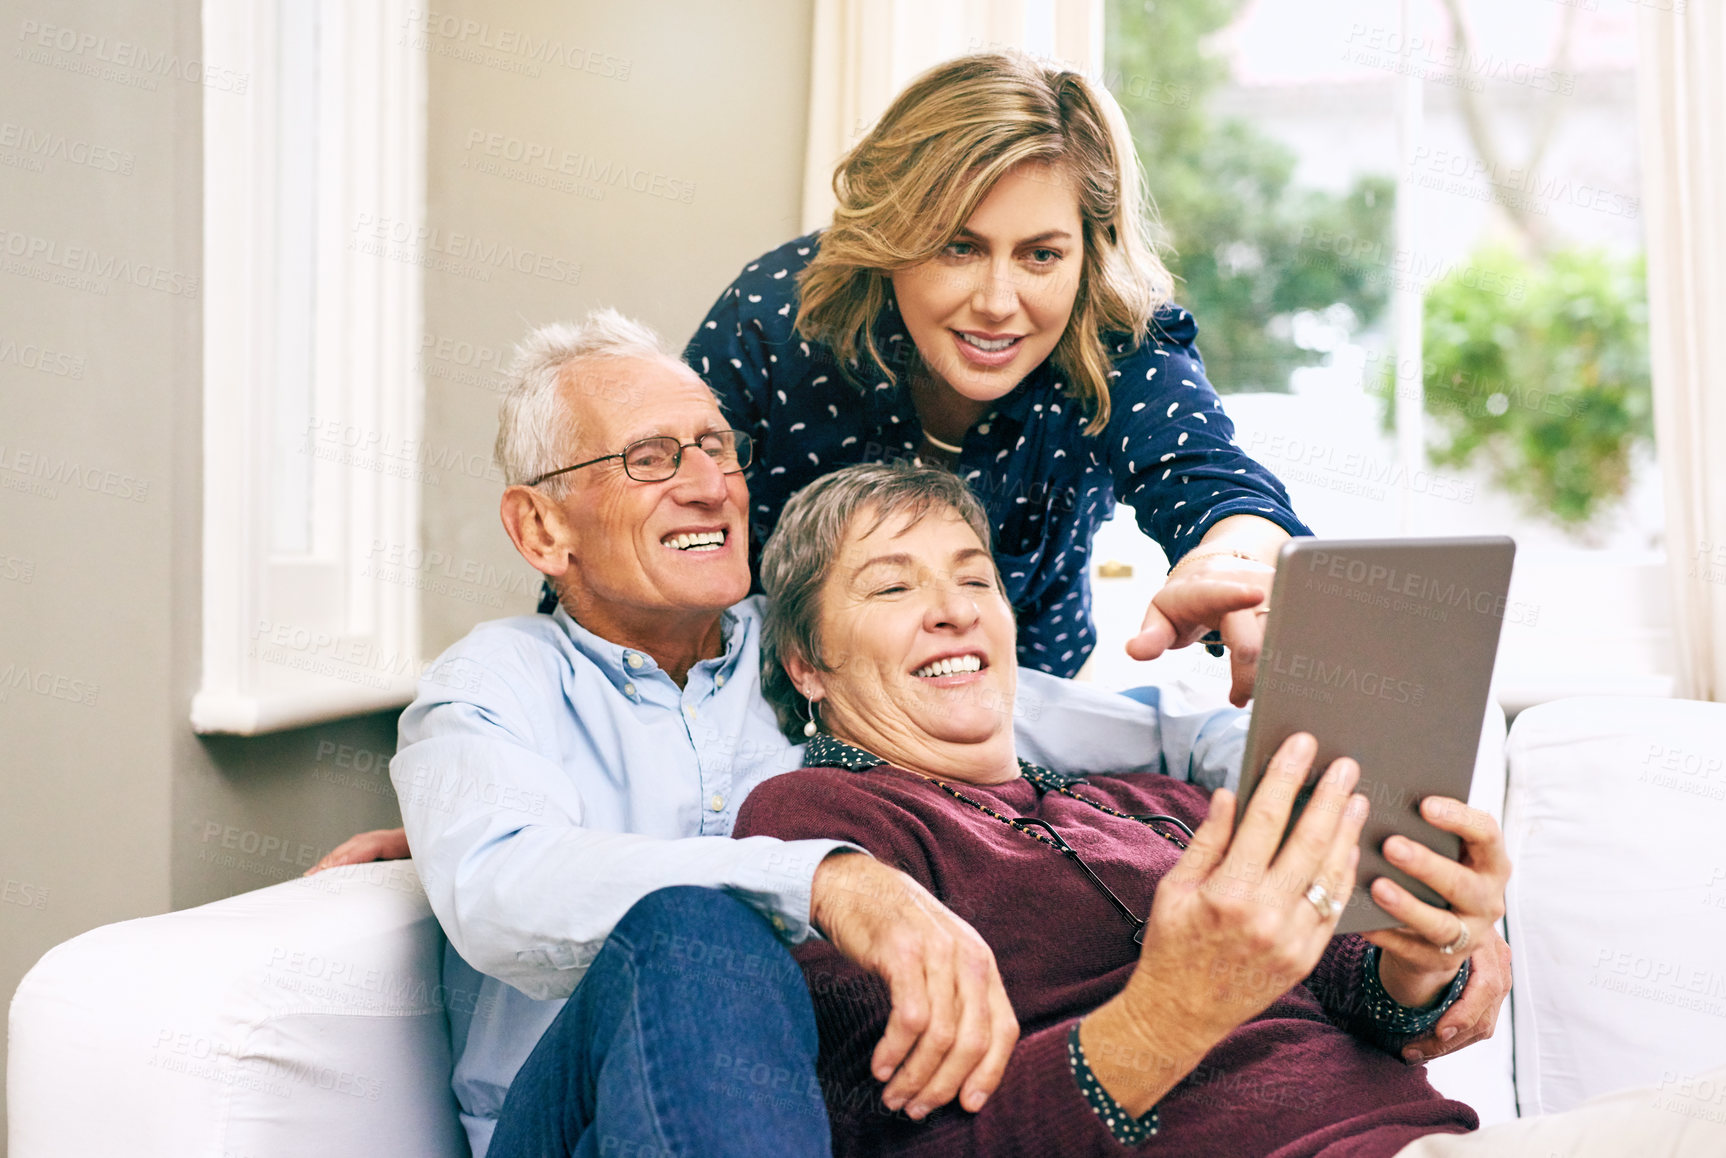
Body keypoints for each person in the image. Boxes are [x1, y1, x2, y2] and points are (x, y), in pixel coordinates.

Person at [385, 309, 1292, 1157]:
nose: (709, 487)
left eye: (717, 447)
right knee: (696, 929)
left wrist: (1354, 806)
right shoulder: (495, 681)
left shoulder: (815, 650)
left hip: (823, 1125)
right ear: (541, 526)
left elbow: (1173, 739)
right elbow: (498, 883)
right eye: (652, 460)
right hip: (579, 1124)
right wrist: (826, 881)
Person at [726, 462, 1718, 1157]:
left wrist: (1422, 950)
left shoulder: (1154, 801)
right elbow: (884, 1139)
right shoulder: (819, 824)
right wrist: (1170, 1012)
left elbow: (1361, 988)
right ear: (807, 662)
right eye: (893, 586)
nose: (953, 608)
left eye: (973, 578)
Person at [685, 51, 1307, 701]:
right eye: (959, 246)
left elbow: (1218, 486)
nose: (997, 301)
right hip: (771, 712)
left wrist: (1231, 565)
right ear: (892, 232)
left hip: (1014, 722)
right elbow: (655, 491)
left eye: (1041, 255)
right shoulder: (783, 312)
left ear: (1087, 251)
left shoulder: (1118, 343)